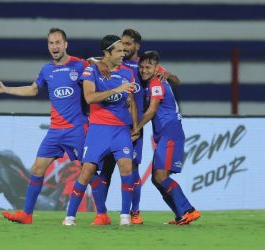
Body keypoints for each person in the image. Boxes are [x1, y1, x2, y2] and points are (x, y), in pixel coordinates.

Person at [0, 28, 89, 224]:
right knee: (37, 168)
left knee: (90, 169)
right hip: (55, 131)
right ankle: (26, 214)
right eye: (51, 43)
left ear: (65, 44)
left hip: (77, 129)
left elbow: (97, 75)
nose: (54, 46)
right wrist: (5, 89)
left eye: (57, 42)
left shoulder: (80, 65)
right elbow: (32, 90)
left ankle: (102, 214)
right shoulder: (47, 70)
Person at [90, 28, 181, 225]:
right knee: (105, 170)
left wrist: (169, 75)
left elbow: (176, 80)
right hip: (110, 125)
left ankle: (135, 212)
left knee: (132, 169)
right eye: (122, 44)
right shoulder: (114, 62)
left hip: (133, 128)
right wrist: (96, 63)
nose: (124, 47)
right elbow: (88, 60)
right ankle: (101, 214)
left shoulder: (143, 66)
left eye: (128, 44)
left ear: (137, 46)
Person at [62, 34, 138, 226]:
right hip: (98, 130)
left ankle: (124, 217)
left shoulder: (128, 73)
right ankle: (70, 217)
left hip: (121, 130)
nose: (124, 53)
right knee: (87, 171)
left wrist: (134, 125)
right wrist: (116, 89)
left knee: (126, 166)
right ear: (107, 53)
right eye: (119, 50)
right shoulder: (91, 71)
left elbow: (130, 102)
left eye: (124, 50)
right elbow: (89, 97)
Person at [132, 50, 200, 225]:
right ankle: (181, 214)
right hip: (165, 133)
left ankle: (188, 210)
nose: (144, 70)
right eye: (142, 67)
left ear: (156, 67)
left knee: (160, 176)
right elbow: (176, 81)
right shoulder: (157, 75)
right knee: (156, 178)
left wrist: (137, 127)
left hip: (170, 132)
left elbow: (153, 108)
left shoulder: (155, 82)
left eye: (148, 67)